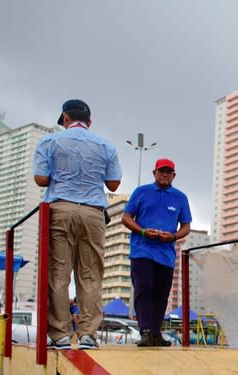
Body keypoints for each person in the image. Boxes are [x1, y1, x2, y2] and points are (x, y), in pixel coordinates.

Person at [33, 99, 122, 350]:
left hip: (60, 209)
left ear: (65, 118)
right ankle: (87, 335)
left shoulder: (49, 142)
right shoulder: (105, 145)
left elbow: (40, 179)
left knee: (59, 274)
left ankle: (60, 335)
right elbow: (113, 184)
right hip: (93, 213)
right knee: (91, 275)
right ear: (89, 122)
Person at [122, 158, 191, 347]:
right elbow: (126, 217)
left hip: (166, 254)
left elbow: (186, 226)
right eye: (161, 171)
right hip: (142, 250)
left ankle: (155, 332)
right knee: (144, 287)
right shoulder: (141, 192)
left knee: (161, 293)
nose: (164, 175)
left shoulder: (180, 197)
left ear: (174, 175)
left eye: (168, 172)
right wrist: (143, 231)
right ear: (154, 173)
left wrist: (174, 236)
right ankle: (145, 330)